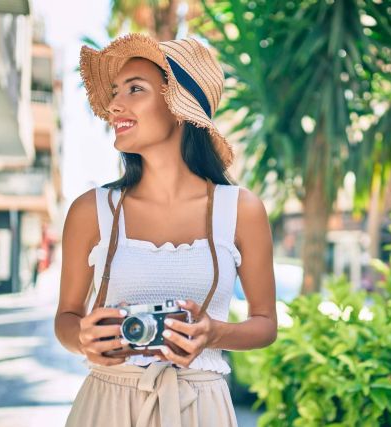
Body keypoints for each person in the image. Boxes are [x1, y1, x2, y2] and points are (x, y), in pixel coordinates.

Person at [55, 33, 277, 426]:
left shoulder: (241, 210)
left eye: (134, 89)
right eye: (115, 92)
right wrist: (84, 340)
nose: (113, 105)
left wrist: (212, 334)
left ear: (179, 107)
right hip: (108, 402)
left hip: (201, 404)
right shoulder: (91, 210)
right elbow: (67, 319)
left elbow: (265, 325)